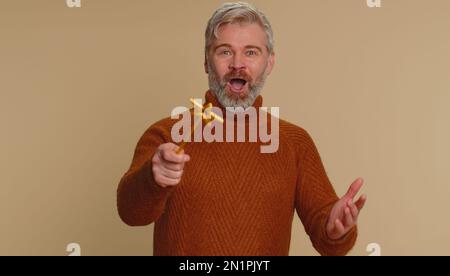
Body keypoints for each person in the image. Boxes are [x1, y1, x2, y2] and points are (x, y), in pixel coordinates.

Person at [117, 2, 366, 256]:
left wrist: (337, 229)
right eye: (225, 52)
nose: (238, 64)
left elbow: (328, 238)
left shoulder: (295, 143)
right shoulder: (166, 134)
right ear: (206, 61)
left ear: (269, 63)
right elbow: (130, 213)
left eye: (251, 52)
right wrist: (152, 178)